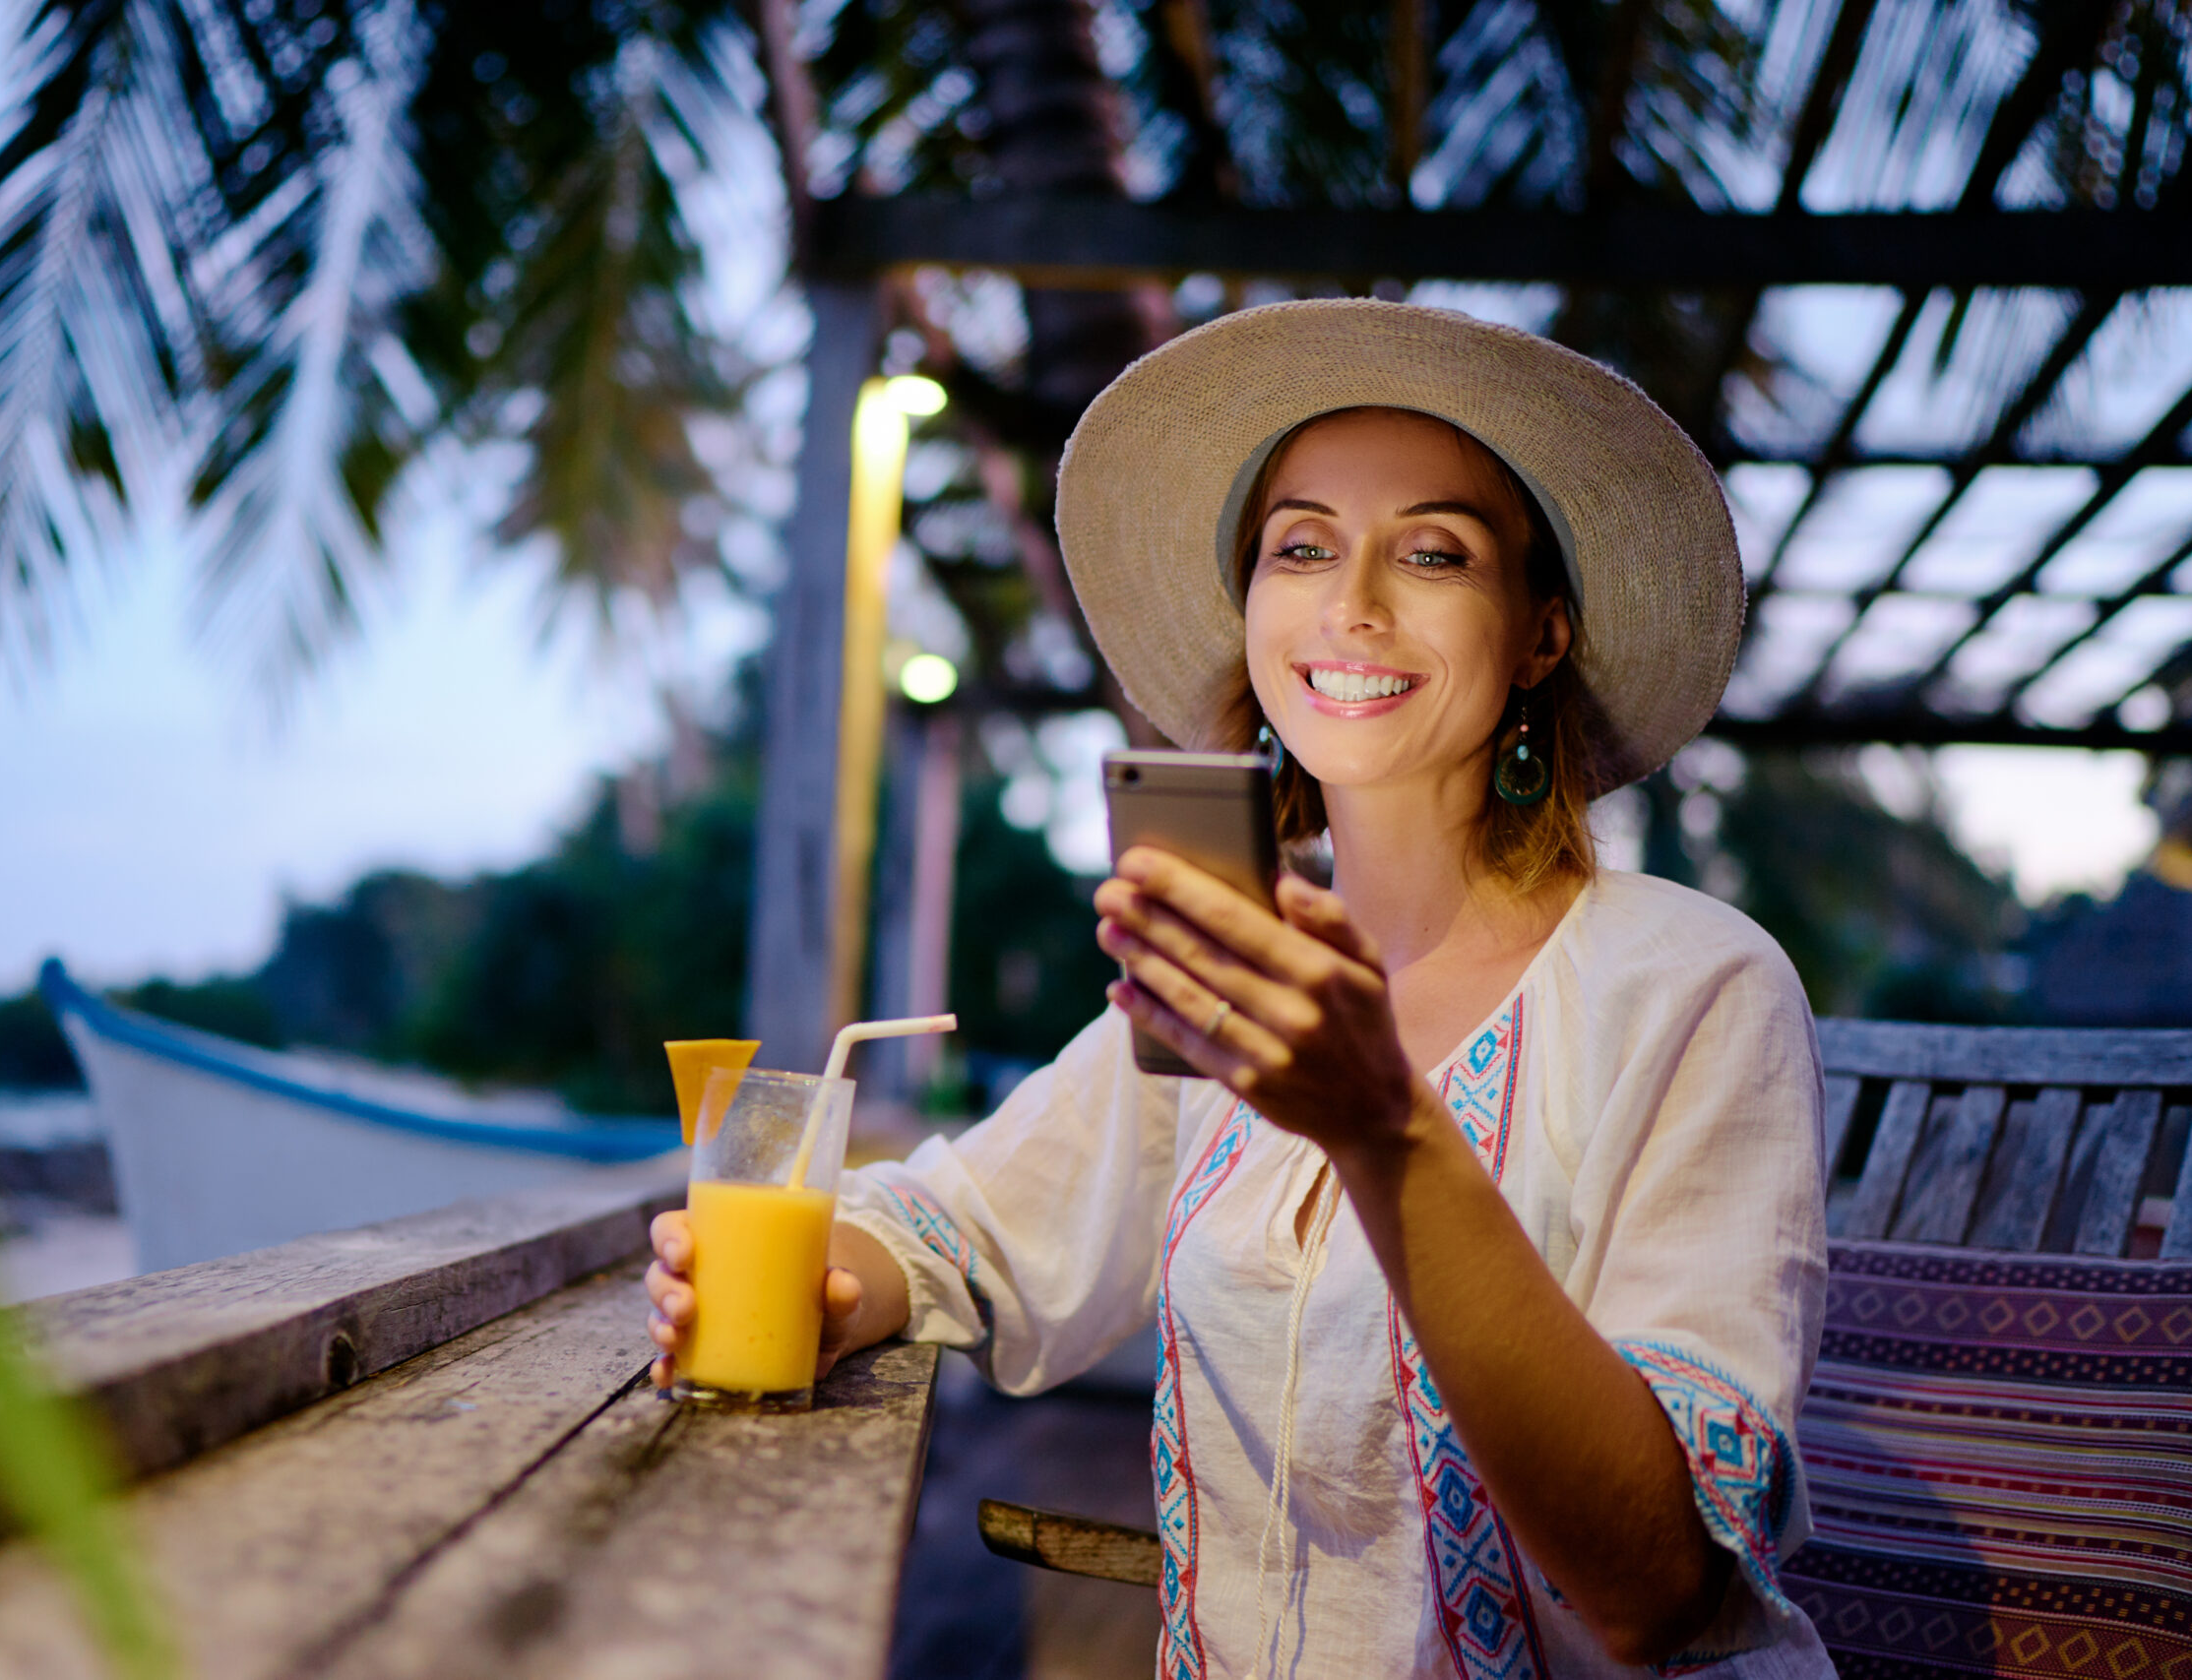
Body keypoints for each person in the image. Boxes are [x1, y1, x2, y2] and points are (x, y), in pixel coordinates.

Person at [647, 300, 1834, 1679]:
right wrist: (827, 1289)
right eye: (1303, 546)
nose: (1353, 602)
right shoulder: (1225, 973)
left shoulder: (1697, 989)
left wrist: (1385, 1130)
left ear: (1541, 636)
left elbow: (1658, 1591)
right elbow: (963, 1228)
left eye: (1434, 551)